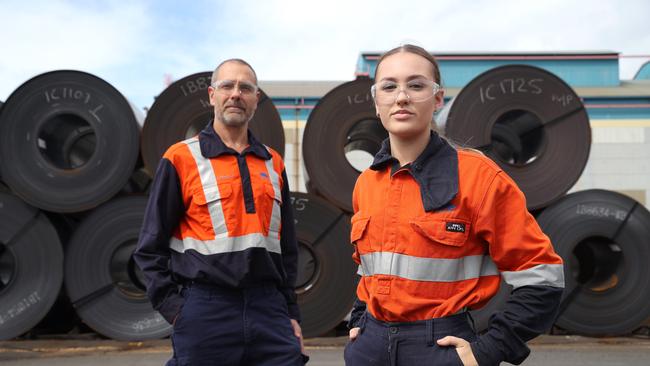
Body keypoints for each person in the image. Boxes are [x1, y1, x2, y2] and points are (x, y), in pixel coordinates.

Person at [345, 44, 564, 366]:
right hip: (370, 346)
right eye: (389, 86)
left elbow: (543, 279)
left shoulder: (480, 177)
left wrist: (489, 349)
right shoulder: (367, 183)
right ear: (377, 101)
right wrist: (358, 322)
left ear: (437, 100)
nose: (402, 96)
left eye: (416, 85)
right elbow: (368, 269)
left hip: (440, 346)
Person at [134, 59, 306, 366]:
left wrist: (290, 312)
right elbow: (150, 247)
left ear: (256, 99)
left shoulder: (273, 163)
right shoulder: (181, 158)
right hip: (206, 309)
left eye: (246, 88)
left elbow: (287, 248)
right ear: (213, 95)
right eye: (227, 86)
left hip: (269, 308)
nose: (236, 94)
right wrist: (176, 309)